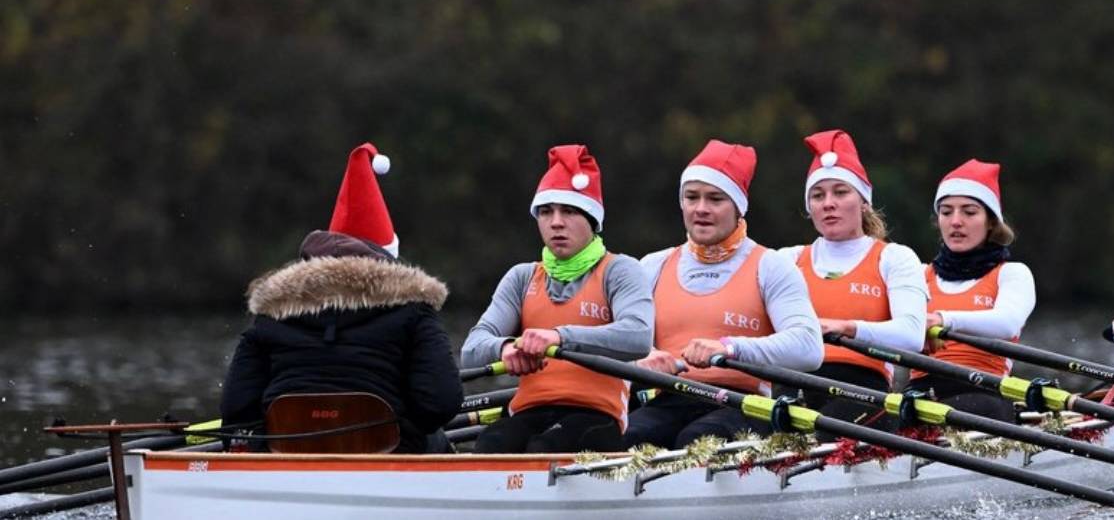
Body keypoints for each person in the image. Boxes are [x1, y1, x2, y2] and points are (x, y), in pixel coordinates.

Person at [220, 143, 463, 453]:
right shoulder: (414, 313)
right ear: (387, 261)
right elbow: (440, 403)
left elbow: (235, 407)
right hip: (388, 454)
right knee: (438, 440)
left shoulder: (270, 315)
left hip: (287, 453)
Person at [627, 139, 823, 449]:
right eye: (692, 197)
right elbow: (613, 340)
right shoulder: (652, 265)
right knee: (627, 437)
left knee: (696, 440)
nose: (701, 209)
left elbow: (809, 347)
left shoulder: (770, 266)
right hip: (669, 399)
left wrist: (729, 348)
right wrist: (641, 357)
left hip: (742, 405)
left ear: (737, 207)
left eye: (715, 199)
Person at [462, 144, 654, 453]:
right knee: (490, 444)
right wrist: (506, 348)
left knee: (546, 446)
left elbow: (638, 336)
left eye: (569, 211)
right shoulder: (522, 277)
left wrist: (558, 337)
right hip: (529, 410)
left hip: (596, 416)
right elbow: (472, 348)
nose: (556, 222)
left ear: (592, 219)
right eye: (546, 211)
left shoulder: (620, 271)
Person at [776, 130, 927, 431]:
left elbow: (913, 336)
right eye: (818, 196)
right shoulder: (785, 260)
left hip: (862, 393)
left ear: (864, 202)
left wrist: (847, 328)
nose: (828, 203)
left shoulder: (894, 258)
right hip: (792, 391)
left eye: (840, 192)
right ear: (810, 208)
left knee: (830, 425)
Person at [913, 159, 1035, 424]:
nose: (956, 221)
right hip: (921, 399)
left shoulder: (1012, 274)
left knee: (972, 405)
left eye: (969, 212)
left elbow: (1008, 323)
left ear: (991, 221)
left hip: (983, 395)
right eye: (946, 212)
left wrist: (943, 320)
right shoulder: (917, 275)